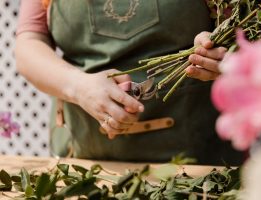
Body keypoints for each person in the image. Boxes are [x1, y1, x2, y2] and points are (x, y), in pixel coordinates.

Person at [15, 0, 244, 165]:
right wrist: (79, 87)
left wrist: (221, 51)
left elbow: (245, 32)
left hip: (199, 166)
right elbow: (28, 44)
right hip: (83, 161)